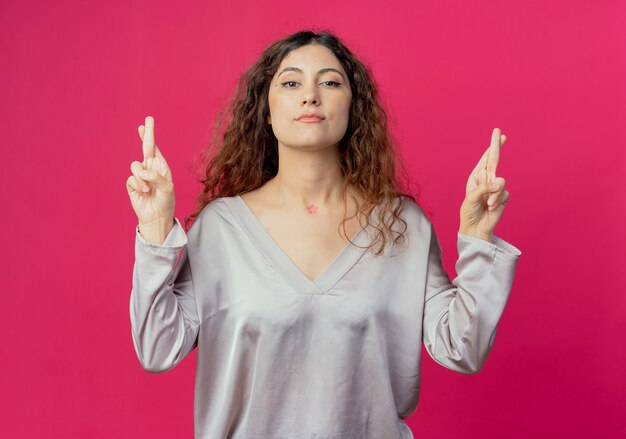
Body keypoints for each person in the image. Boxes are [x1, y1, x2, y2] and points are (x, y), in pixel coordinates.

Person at [126, 30, 521, 439]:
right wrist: (155, 231)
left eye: (330, 82)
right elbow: (159, 349)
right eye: (291, 82)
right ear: (266, 109)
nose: (310, 95)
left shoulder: (403, 225)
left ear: (354, 106)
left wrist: (476, 236)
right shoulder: (220, 229)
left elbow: (463, 347)